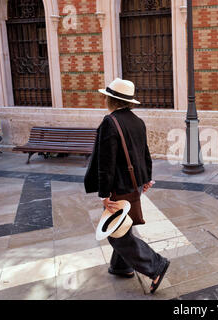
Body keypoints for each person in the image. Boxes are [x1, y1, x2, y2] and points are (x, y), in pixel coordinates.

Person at [84, 78, 170, 294]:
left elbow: (106, 162)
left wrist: (104, 193)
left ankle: (155, 265)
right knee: (124, 224)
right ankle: (121, 266)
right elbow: (145, 153)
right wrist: (146, 178)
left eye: (105, 96)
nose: (103, 98)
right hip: (135, 183)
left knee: (116, 234)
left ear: (111, 99)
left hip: (118, 186)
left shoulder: (109, 122)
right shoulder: (137, 121)